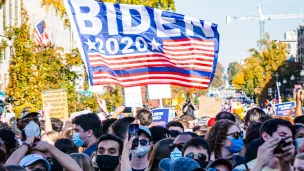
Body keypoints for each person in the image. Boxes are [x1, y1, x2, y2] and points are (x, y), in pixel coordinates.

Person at [6, 136, 82, 171]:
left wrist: (49, 147)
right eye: (31, 167)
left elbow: (77, 169)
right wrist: (25, 145)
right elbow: (7, 167)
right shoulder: (18, 167)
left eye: (48, 160)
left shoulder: (56, 168)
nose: (37, 170)